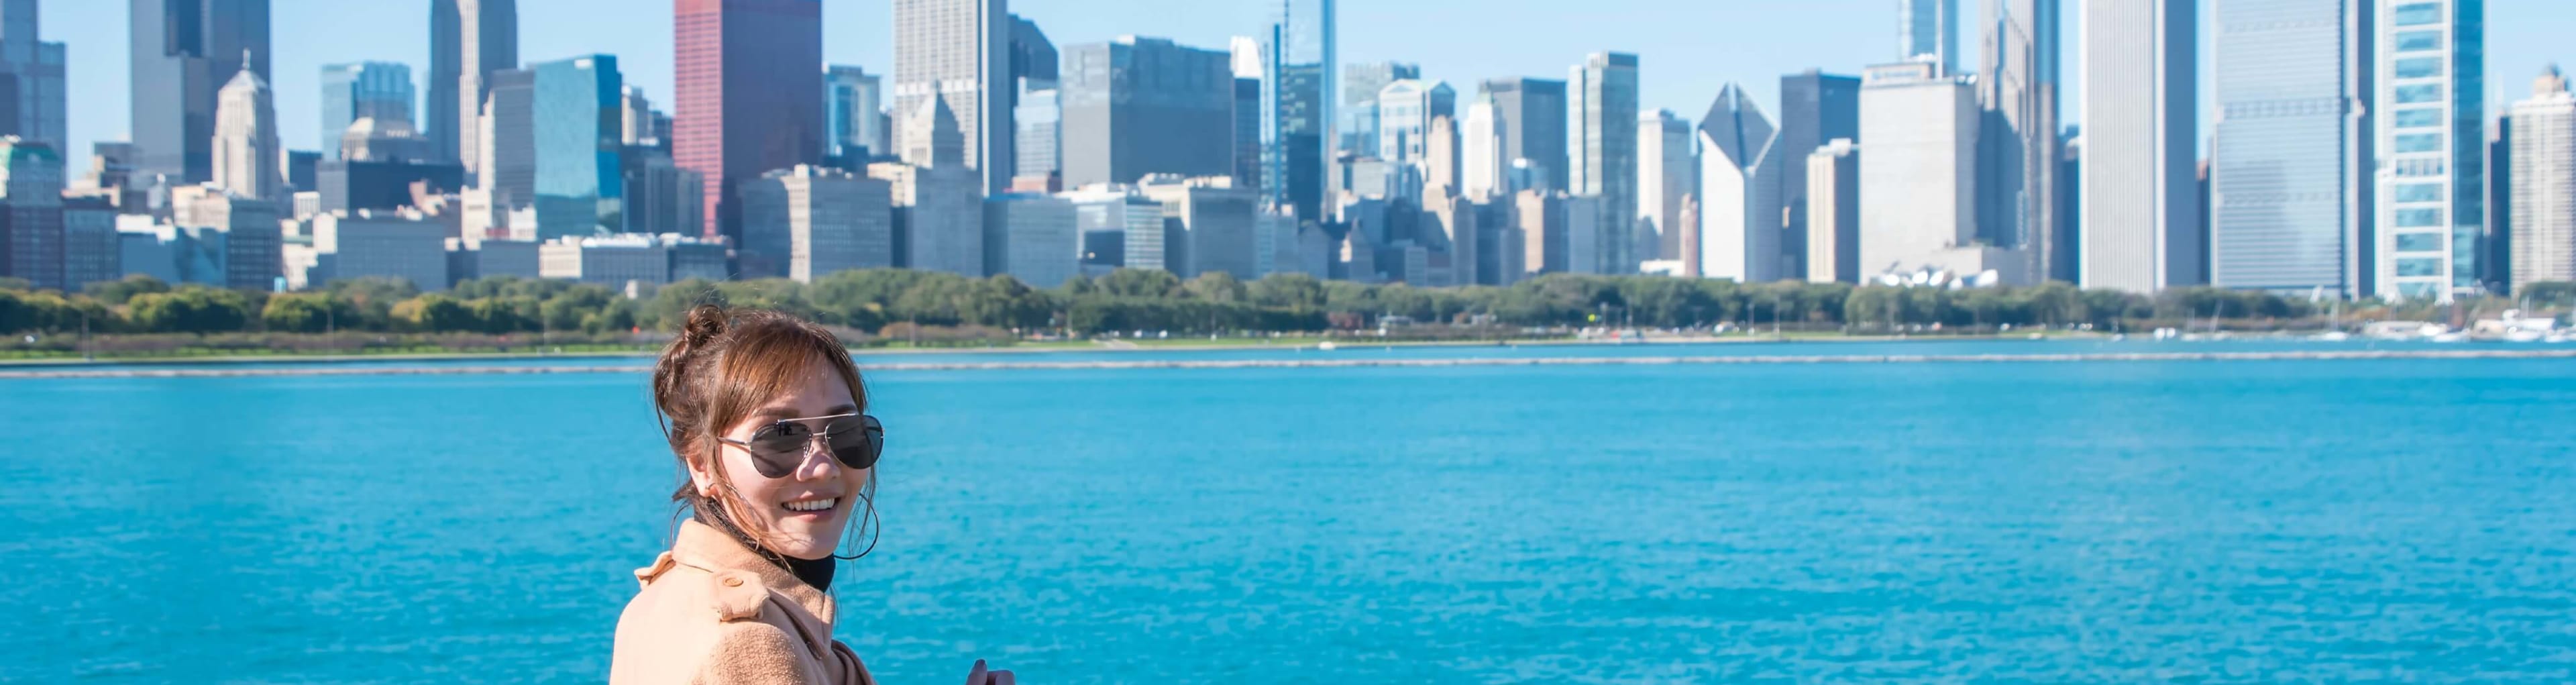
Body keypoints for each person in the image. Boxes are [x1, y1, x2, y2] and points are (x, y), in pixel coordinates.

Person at [610, 305, 1012, 685]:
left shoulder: (660, 599)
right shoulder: (750, 643)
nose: (823, 466)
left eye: (846, 433)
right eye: (781, 438)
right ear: (701, 464)